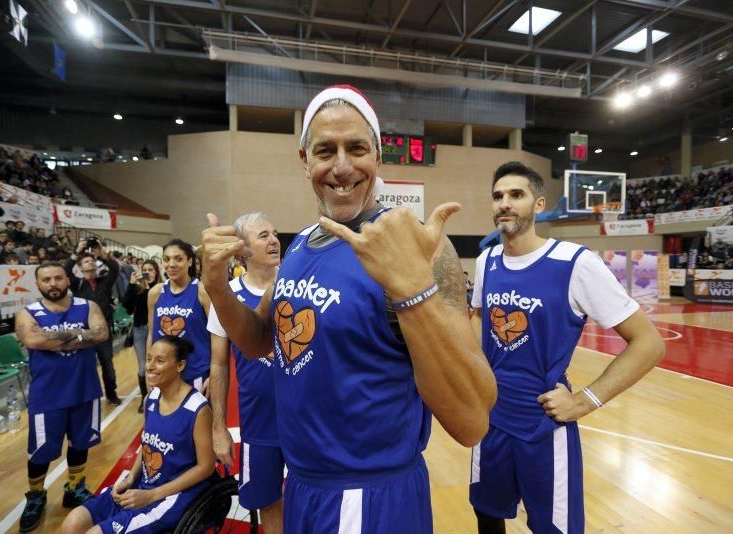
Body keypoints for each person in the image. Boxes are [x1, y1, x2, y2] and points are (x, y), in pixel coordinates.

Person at [201, 85, 496, 533]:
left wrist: (412, 290)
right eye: (326, 150)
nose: (341, 166)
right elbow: (262, 338)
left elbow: (472, 419)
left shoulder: (423, 247)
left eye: (356, 148)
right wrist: (219, 289)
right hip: (302, 484)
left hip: (370, 497)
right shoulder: (300, 244)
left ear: (377, 157)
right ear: (305, 160)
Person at [468, 162, 666, 534]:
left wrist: (585, 400)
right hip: (490, 417)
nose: (504, 204)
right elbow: (478, 318)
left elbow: (649, 344)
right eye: (498, 196)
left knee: (552, 528)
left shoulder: (576, 264)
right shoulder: (486, 261)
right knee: (487, 513)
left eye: (516, 194)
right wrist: (474, 371)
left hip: (544, 422)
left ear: (538, 204)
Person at [61, 336, 216, 534]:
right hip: (143, 486)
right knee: (72, 523)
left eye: (160, 361)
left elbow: (206, 467)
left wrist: (153, 495)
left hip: (174, 496)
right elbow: (146, 446)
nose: (149, 366)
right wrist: (131, 477)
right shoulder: (151, 399)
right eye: (149, 358)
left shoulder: (197, 409)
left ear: (180, 366)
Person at [14, 261, 109, 532]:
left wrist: (53, 337)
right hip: (47, 394)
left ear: (67, 279)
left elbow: (101, 333)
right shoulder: (26, 313)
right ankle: (35, 497)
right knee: (41, 451)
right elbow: (34, 341)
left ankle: (75, 488)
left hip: (85, 388)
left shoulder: (87, 306)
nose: (53, 284)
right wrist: (82, 335)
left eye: (58, 278)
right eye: (46, 280)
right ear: (38, 284)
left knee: (81, 442)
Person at [207, 212, 283, 533]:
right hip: (259, 423)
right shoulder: (226, 298)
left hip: (307, 420)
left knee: (312, 500)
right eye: (263, 235)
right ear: (241, 250)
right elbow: (219, 364)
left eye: (275, 233)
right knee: (270, 506)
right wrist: (218, 427)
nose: (274, 240)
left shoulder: (298, 288)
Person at [147, 239, 212, 394]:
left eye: (178, 259)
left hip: (196, 374)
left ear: (190, 262)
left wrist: (214, 374)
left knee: (195, 418)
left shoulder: (202, 291)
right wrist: (148, 368)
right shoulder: (155, 293)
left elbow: (217, 337)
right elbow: (151, 334)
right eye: (167, 259)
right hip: (162, 375)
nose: (172, 264)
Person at [65, 239, 122, 405]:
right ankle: (88, 396)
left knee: (108, 366)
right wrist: (77, 251)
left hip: (103, 333)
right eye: (86, 261)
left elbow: (115, 268)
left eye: (91, 260)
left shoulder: (104, 282)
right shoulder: (77, 284)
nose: (90, 262)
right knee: (86, 366)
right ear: (81, 267)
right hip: (84, 333)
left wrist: (101, 254)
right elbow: (66, 269)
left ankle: (111, 394)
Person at [122, 260, 163, 412]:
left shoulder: (161, 288)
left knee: (160, 365)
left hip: (158, 330)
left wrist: (148, 288)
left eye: (150, 269)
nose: (147, 272)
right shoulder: (137, 288)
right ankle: (145, 398)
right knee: (142, 368)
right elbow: (126, 306)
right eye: (144, 269)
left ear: (156, 271)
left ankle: (161, 396)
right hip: (140, 330)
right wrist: (132, 285)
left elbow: (154, 303)